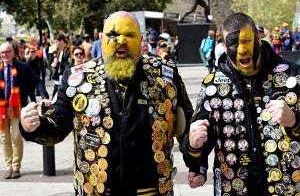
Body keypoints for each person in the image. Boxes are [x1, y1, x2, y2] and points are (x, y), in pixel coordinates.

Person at [20, 11, 195, 196]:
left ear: (141, 40)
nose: (121, 41)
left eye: (129, 35)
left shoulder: (165, 74)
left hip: (150, 190)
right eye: (113, 35)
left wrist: (196, 162)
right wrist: (33, 127)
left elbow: (187, 126)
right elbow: (58, 124)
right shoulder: (77, 78)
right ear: (102, 39)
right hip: (97, 190)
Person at [183, 12, 300, 195]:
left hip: (285, 188)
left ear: (259, 39)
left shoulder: (292, 76)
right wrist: (193, 147)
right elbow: (199, 144)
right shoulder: (213, 84)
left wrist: (294, 120)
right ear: (223, 45)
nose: (242, 51)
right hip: (234, 188)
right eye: (233, 43)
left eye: (246, 41)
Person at [0, 42, 50, 180]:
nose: (4, 55)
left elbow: (37, 81)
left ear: (13, 53)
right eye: (2, 53)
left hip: (17, 108)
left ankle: (16, 167)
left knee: (15, 136)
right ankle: (8, 167)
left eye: (7, 52)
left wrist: (44, 96)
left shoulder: (22, 67)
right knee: (4, 138)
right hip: (2, 109)